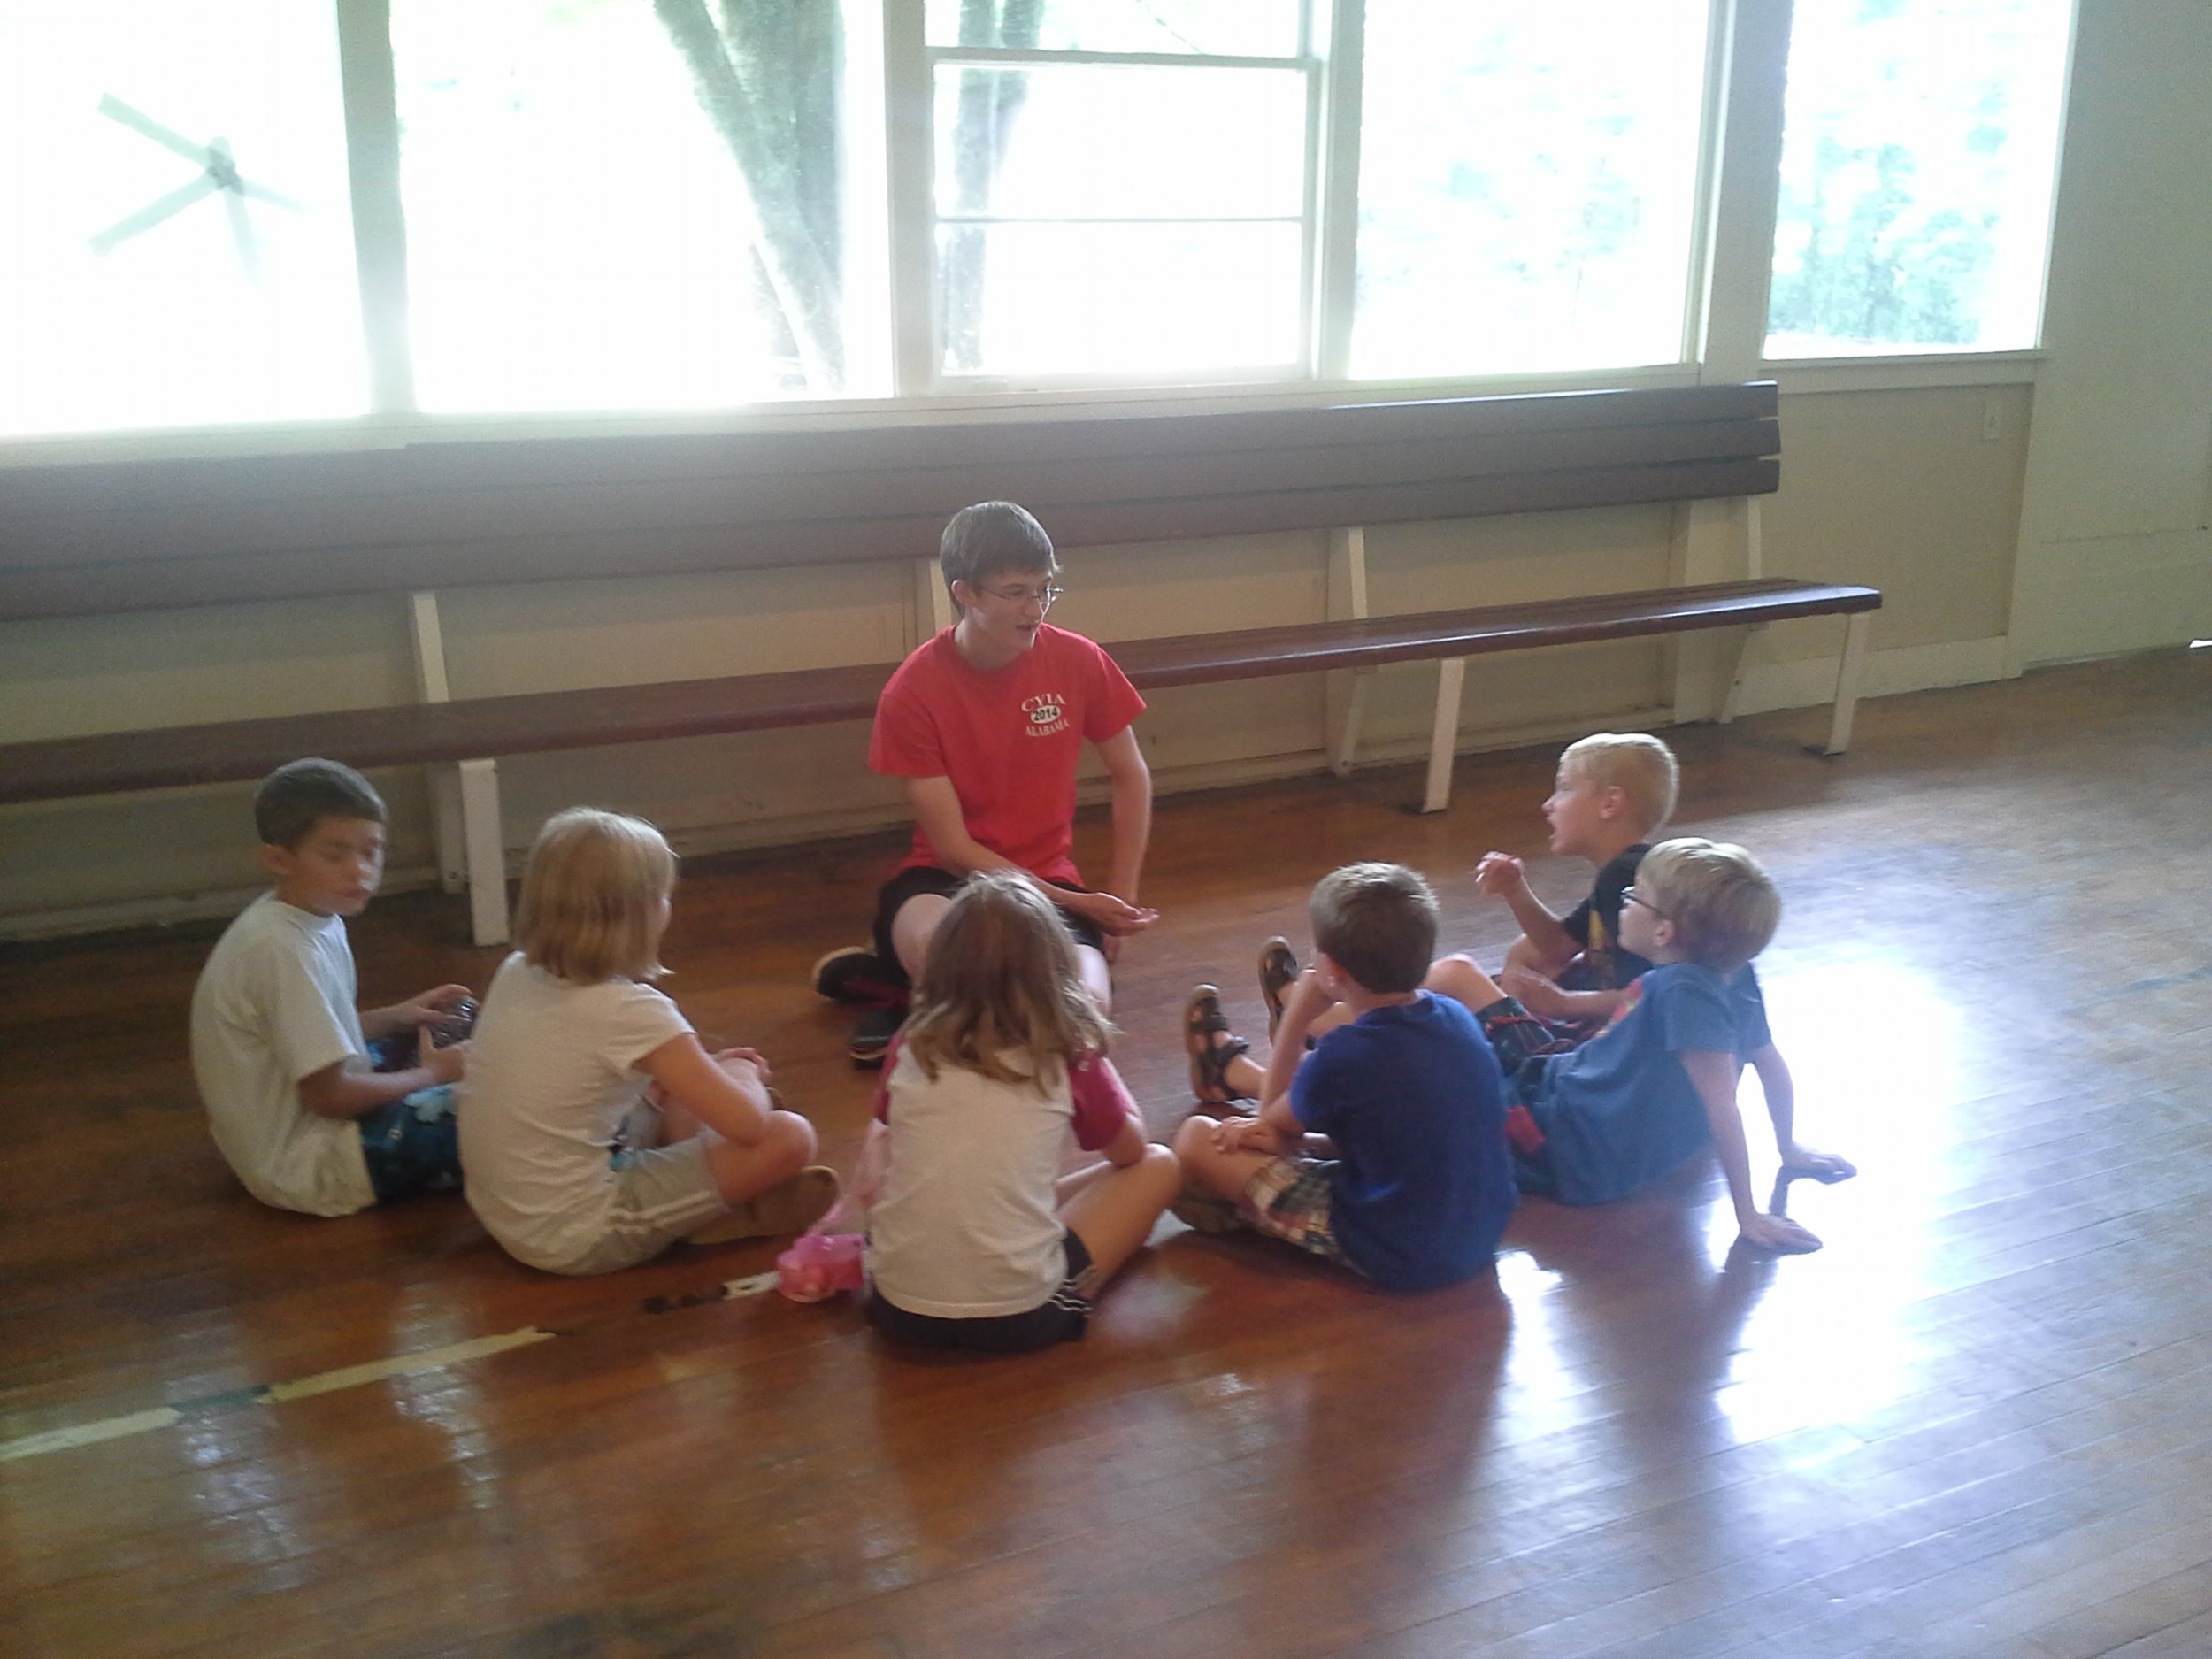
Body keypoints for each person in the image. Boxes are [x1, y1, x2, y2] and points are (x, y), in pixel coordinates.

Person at [815, 501, 1156, 1064]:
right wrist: (1087, 906)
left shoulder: (1080, 660)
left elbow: (1131, 776)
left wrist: (1117, 899)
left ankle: (911, 993)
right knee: (962, 959)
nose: (1036, 607)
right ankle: (907, 986)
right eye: (1017, 591)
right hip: (946, 883)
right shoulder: (912, 690)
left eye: (1046, 588)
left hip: (1051, 881)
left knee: (1085, 1018)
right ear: (966, 593)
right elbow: (953, 848)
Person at [1428, 837, 1855, 1254]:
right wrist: (1788, 1147)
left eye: (1635, 897)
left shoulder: (1679, 991)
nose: (1625, 904)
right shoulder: (1735, 974)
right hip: (1574, 1094)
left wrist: (1749, 1216)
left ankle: (1364, 1023)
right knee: (1467, 987)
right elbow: (1770, 1063)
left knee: (1454, 978)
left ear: (1663, 931)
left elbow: (1722, 1104)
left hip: (1558, 1128)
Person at [461, 808, 837, 1276]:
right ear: (640, 917)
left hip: (501, 1209)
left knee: (669, 1088)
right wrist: (739, 1075)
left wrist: (696, 1075)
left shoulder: (516, 968)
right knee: (789, 1136)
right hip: (577, 1235)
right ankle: (714, 1216)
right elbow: (750, 1126)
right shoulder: (632, 1011)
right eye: (663, 897)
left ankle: (704, 1193)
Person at [863, 872, 1181, 1353]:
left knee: (951, 1173)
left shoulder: (911, 1043)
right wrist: (1093, 1053)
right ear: (1056, 970)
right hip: (1019, 1317)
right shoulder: (1062, 1049)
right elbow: (1129, 1151)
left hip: (895, 1308)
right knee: (1159, 1166)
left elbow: (887, 1134)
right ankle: (1074, 1282)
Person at [1171, 863, 1516, 1293]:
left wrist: (1297, 1014)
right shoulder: (1456, 1016)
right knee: (1318, 1132)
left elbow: (1267, 1122)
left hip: (1401, 1248)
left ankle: (1228, 1200)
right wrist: (1298, 1139)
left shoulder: (1343, 1054)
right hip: (1480, 1231)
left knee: (1195, 1138)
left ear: (1333, 970)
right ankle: (1227, 1182)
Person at [190, 757, 472, 1217]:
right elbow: (329, 1098)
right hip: (308, 1164)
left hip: (308, 1119)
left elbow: (308, 1034)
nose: (360, 871)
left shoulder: (306, 914)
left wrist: (399, 1016)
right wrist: (435, 1075)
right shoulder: (282, 950)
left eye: (371, 851)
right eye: (336, 855)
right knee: (496, 1101)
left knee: (455, 1020)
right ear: (277, 859)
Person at [1471, 732, 1681, 1034]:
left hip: (1626, 1031)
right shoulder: (1623, 870)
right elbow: (1557, 947)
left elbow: (1660, 994)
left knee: (1458, 980)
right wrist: (1515, 889)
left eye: (1564, 789)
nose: (1548, 805)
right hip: (1610, 1004)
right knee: (1526, 951)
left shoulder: (1625, 876)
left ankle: (1521, 1035)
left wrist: (1564, 1003)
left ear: (1610, 803)